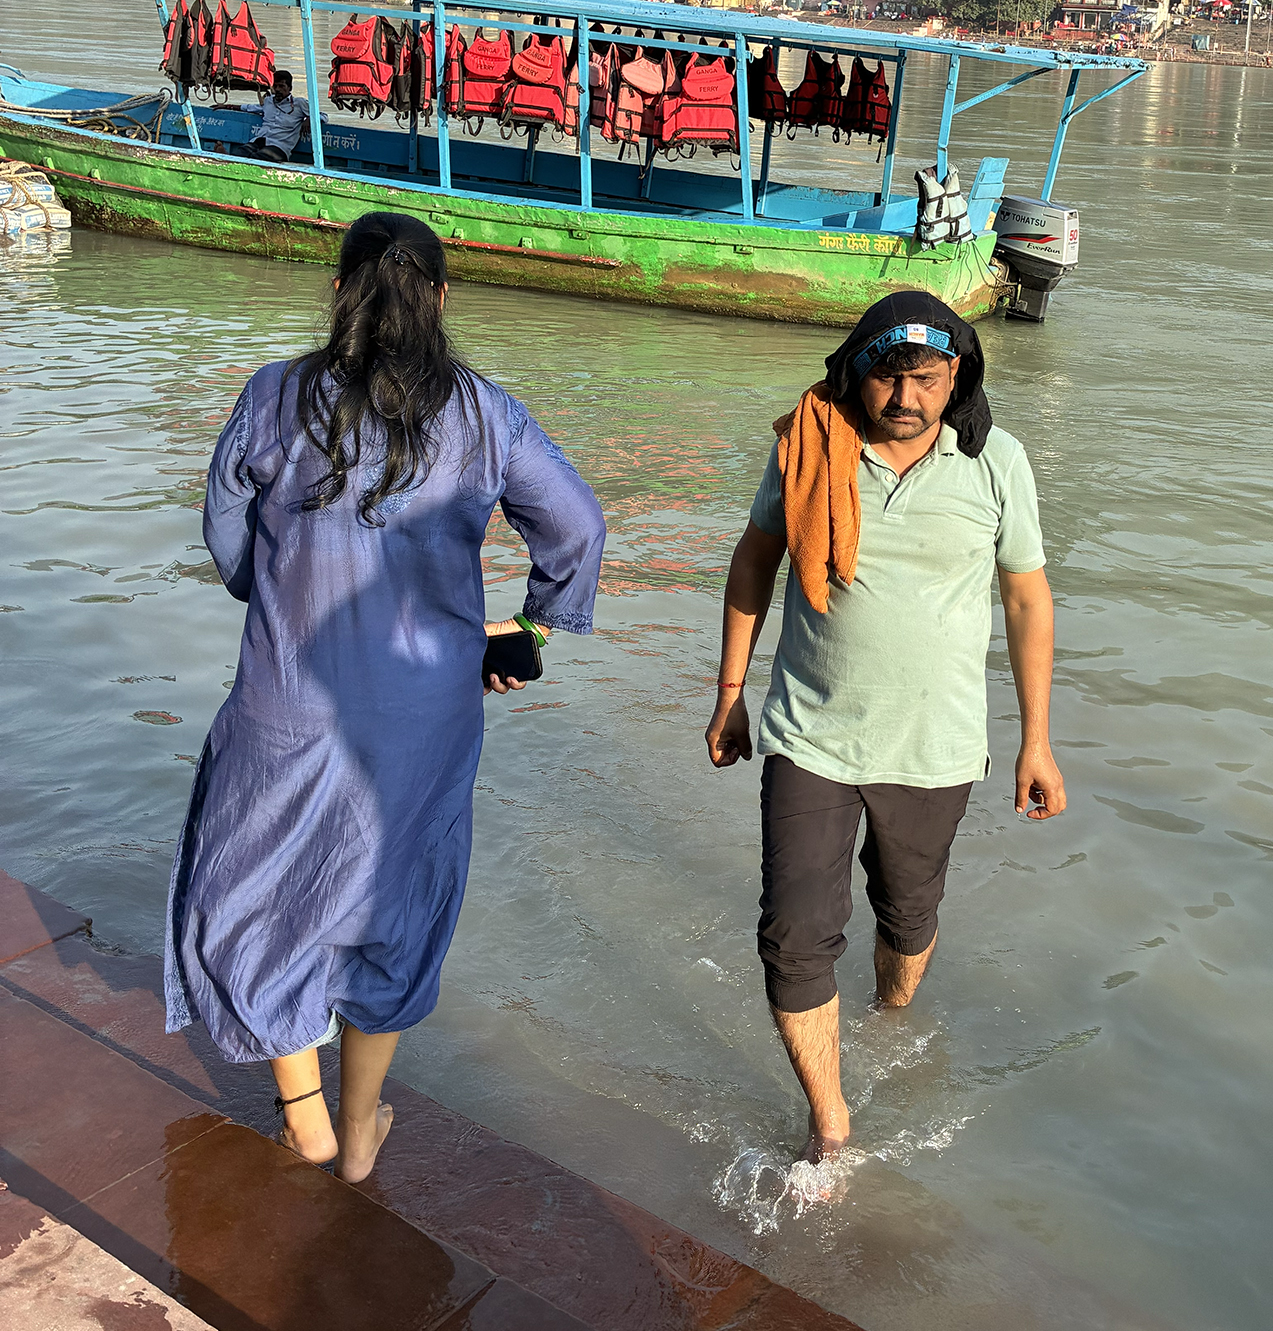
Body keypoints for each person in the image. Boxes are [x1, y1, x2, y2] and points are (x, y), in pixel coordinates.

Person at [165, 211, 605, 1180]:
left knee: (260, 897)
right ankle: (362, 1132)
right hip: (427, 713)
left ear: (338, 293)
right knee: (392, 902)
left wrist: (273, 591)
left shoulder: (275, 393)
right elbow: (575, 528)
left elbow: (227, 534)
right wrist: (529, 631)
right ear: (443, 299)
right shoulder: (489, 413)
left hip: (287, 700)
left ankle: (307, 1117)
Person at [705, 292, 1064, 1164]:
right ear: (856, 370)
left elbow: (1026, 597)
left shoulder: (996, 463)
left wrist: (1037, 739)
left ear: (957, 380)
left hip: (934, 746)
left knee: (907, 919)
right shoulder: (807, 447)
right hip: (809, 733)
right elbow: (757, 557)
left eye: (928, 380)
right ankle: (830, 1122)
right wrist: (729, 690)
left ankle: (891, 1017)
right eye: (888, 375)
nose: (906, 397)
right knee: (793, 937)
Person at [247, 69, 309, 160]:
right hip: (260, 141)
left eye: (281, 86)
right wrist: (227, 106)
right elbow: (251, 108)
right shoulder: (268, 101)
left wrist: (309, 119)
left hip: (279, 147)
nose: (277, 89)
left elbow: (322, 115)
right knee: (241, 152)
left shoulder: (299, 103)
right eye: (275, 86)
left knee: (258, 157)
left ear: (289, 88)